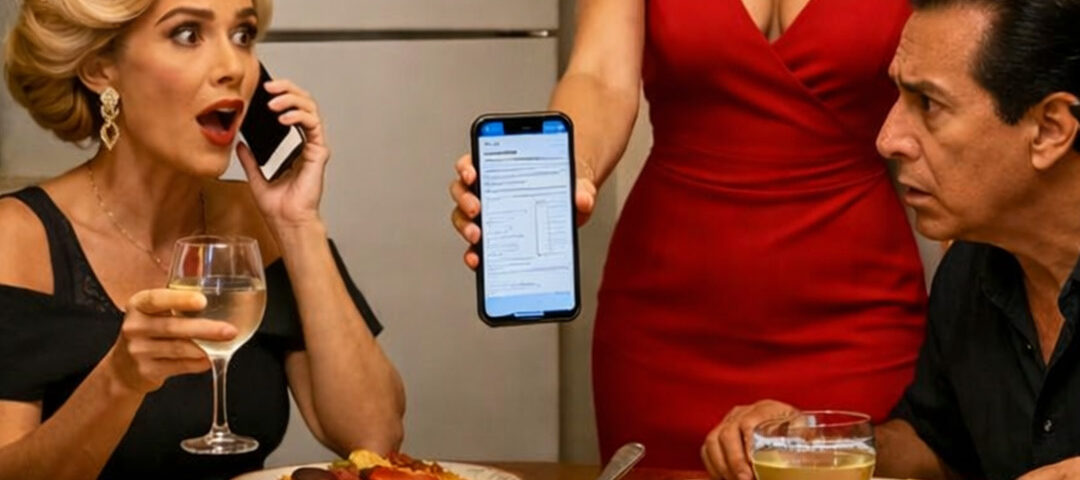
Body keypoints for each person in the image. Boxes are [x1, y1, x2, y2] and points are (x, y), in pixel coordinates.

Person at [449, 0, 928, 468]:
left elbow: (961, 83)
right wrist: (569, 171)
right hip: (665, 323)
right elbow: (599, 75)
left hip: (860, 316)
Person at [0, 1, 405, 479]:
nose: (233, 67)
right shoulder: (16, 239)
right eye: (188, 34)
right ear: (100, 68)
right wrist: (120, 382)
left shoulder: (257, 225)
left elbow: (374, 437)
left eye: (243, 35)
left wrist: (299, 225)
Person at [702, 0, 1080, 479]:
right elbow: (939, 450)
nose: (888, 138)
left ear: (1049, 130)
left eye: (929, 105)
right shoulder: (970, 268)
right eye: (898, 98)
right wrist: (813, 442)